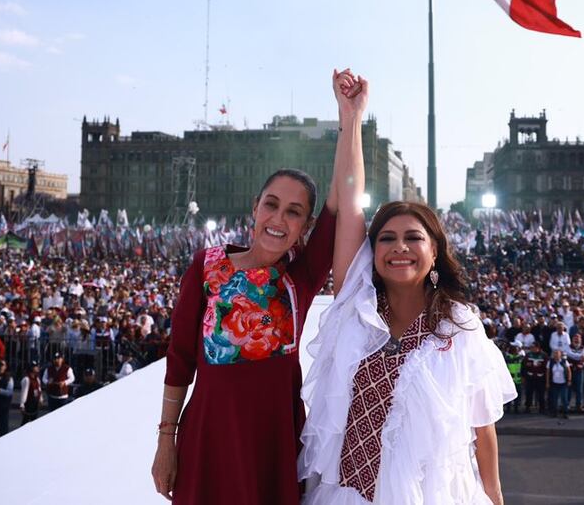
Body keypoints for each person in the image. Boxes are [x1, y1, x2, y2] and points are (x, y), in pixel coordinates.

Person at [151, 69, 351, 504]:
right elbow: (180, 360)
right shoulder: (206, 267)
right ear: (254, 208)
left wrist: (348, 118)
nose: (279, 219)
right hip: (208, 439)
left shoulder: (300, 278)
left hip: (273, 444)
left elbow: (341, 196)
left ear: (306, 226)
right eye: (271, 205)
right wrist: (166, 441)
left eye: (294, 212)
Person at [298, 197, 515, 504]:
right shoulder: (357, 318)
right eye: (387, 239)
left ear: (434, 251)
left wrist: (495, 495)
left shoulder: (459, 326)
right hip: (351, 492)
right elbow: (348, 198)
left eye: (413, 238)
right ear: (372, 253)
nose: (400, 247)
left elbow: (482, 425)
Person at [547, 349, 572, 419]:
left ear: (560, 355)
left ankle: (565, 413)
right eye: (555, 354)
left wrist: (569, 380)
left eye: (557, 354)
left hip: (563, 383)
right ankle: (554, 412)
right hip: (554, 383)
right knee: (554, 399)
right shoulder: (550, 362)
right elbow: (548, 372)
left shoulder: (564, 361)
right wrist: (547, 382)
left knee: (564, 399)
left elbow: (569, 371)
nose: (556, 355)